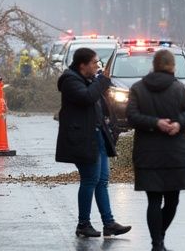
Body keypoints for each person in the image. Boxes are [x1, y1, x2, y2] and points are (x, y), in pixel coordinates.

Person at [126, 48, 185, 251]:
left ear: (153, 65)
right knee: (172, 201)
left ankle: (157, 244)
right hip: (175, 153)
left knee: (154, 200)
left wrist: (154, 123)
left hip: (147, 153)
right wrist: (178, 124)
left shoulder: (138, 89)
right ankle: (160, 239)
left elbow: (131, 116)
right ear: (172, 66)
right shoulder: (180, 89)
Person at [55, 47, 131, 239]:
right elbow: (87, 97)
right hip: (82, 139)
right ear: (83, 65)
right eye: (95, 63)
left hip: (97, 136)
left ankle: (109, 223)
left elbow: (100, 105)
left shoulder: (88, 80)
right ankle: (83, 224)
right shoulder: (70, 81)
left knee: (102, 180)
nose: (98, 66)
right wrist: (102, 81)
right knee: (90, 180)